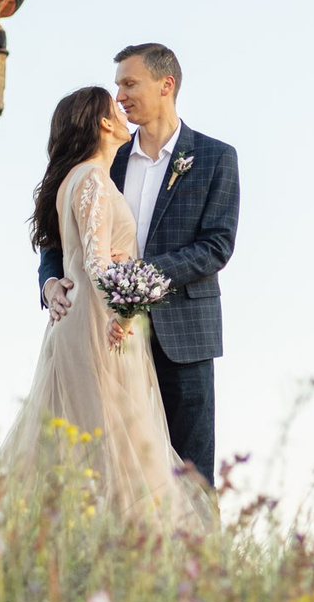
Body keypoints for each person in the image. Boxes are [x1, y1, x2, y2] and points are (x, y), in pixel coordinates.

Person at [0, 88, 211, 531]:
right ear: (104, 124)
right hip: (99, 323)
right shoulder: (92, 178)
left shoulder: (83, 175)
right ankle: (120, 542)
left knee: (84, 437)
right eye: (116, 103)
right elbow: (94, 259)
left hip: (90, 320)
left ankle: (74, 538)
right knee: (108, 439)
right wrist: (120, 310)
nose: (124, 105)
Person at [38, 43, 238, 483]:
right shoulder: (104, 156)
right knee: (110, 469)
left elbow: (216, 247)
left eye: (130, 83)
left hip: (182, 338)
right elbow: (58, 234)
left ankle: (198, 556)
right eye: (117, 87)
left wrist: (137, 284)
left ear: (166, 85)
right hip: (103, 339)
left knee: (189, 476)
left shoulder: (215, 158)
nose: (121, 94)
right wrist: (50, 281)